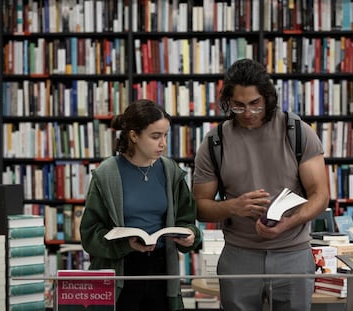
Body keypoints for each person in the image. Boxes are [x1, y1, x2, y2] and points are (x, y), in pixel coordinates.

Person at [192, 59, 329, 311]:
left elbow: (320, 195)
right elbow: (200, 206)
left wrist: (289, 222)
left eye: (255, 104)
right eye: (239, 105)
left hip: (293, 253)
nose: (248, 113)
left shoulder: (297, 132)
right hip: (239, 255)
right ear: (228, 102)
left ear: (267, 97)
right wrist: (233, 207)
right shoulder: (214, 142)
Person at [80, 99, 202, 311]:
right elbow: (89, 235)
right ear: (134, 136)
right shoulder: (106, 174)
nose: (163, 143)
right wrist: (126, 244)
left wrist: (191, 235)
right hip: (121, 269)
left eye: (165, 135)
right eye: (155, 136)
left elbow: (187, 220)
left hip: (162, 270)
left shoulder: (170, 171)